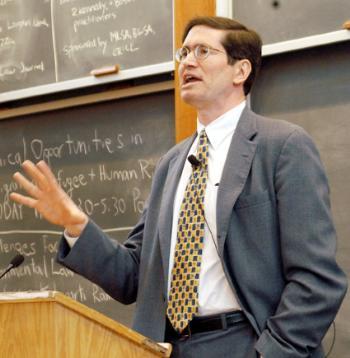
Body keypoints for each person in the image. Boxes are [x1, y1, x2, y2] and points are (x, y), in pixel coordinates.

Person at [10, 16, 347, 358]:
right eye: (184, 52)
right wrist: (75, 224)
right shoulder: (172, 164)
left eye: (203, 51)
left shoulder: (282, 146)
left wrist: (270, 353)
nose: (187, 61)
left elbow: (317, 280)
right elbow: (133, 277)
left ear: (240, 71)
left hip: (244, 343)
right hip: (165, 347)